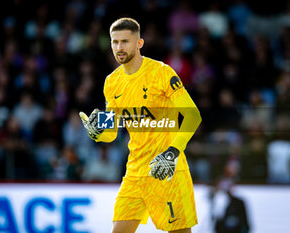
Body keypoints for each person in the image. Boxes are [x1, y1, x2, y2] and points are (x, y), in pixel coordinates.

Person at [79, 18, 201, 233]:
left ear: (139, 43)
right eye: (114, 42)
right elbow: (112, 132)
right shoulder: (112, 82)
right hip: (134, 173)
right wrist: (97, 132)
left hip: (167, 169)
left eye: (125, 41)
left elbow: (193, 116)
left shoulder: (161, 73)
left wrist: (173, 152)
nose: (119, 47)